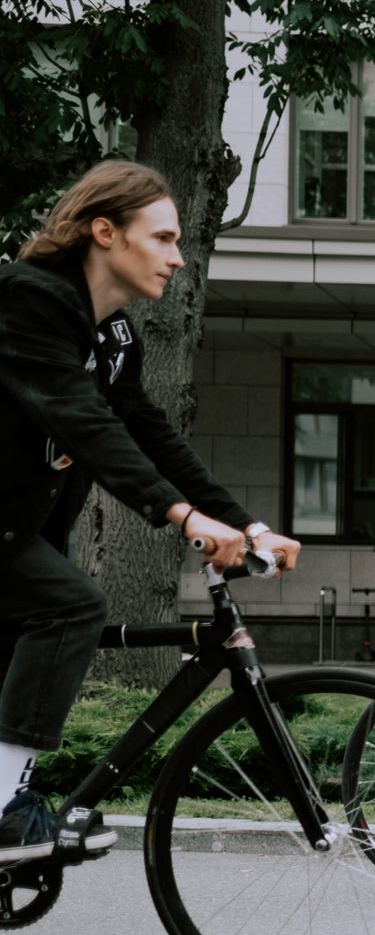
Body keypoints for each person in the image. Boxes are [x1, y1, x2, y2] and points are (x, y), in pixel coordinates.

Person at [0, 161, 301, 865]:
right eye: (162, 238)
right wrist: (184, 519)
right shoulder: (27, 301)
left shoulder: (114, 337)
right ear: (104, 231)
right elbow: (85, 424)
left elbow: (149, 434)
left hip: (21, 528)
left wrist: (244, 522)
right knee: (74, 607)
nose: (177, 256)